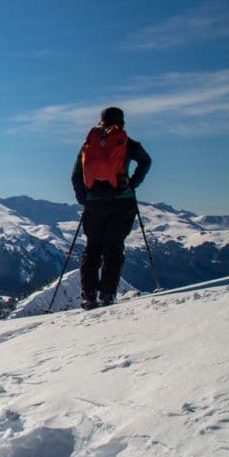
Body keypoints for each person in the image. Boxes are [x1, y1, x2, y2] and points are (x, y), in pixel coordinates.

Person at [71, 107, 151, 310]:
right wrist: (132, 183)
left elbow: (75, 175)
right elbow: (145, 161)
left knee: (92, 249)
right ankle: (107, 295)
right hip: (121, 202)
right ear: (121, 122)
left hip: (94, 204)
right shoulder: (126, 143)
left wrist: (84, 198)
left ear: (101, 123)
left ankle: (88, 295)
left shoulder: (88, 145)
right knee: (113, 248)